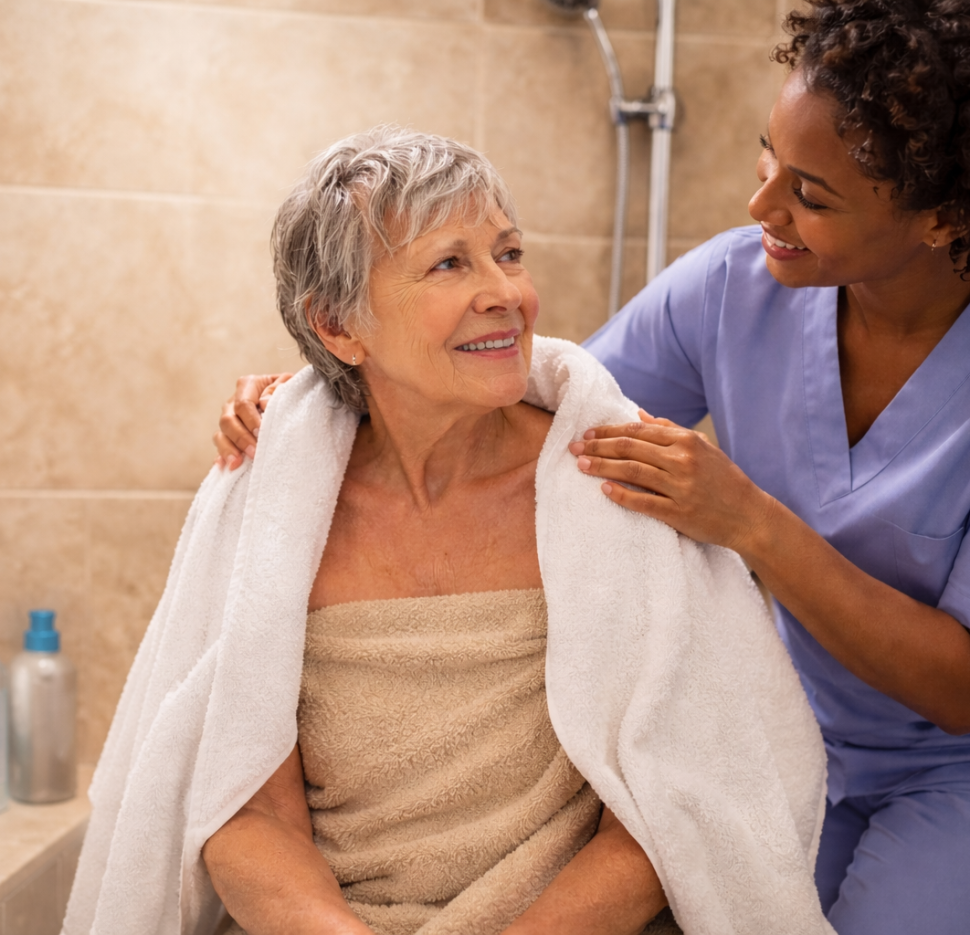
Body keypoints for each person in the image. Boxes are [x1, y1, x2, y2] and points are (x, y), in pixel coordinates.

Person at [214, 4, 970, 934]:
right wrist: (321, 387)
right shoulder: (735, 286)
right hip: (793, 735)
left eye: (811, 195)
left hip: (947, 767)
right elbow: (542, 388)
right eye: (766, 159)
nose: (760, 208)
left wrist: (751, 523)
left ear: (940, 217)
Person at [67, 127, 837, 935]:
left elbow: (675, 805)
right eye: (449, 263)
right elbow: (243, 808)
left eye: (508, 253)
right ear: (336, 326)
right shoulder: (275, 505)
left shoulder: (609, 484)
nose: (505, 291)